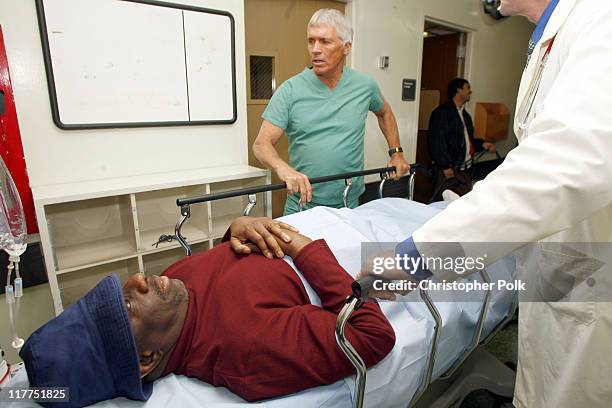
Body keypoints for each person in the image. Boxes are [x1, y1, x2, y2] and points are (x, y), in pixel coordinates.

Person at [361, 0, 612, 407]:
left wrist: (418, 257)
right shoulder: (553, 37)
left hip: (587, 266)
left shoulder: (601, 19)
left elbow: (563, 164)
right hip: (560, 262)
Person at [20, 217, 395, 407]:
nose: (138, 279)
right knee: (451, 248)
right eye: (128, 305)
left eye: (121, 288)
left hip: (334, 220)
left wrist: (238, 228)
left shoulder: (173, 284)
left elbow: (223, 268)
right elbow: (371, 336)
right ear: (146, 360)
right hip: (363, 254)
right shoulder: (247, 348)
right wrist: (297, 245)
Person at [252, 9, 410, 215]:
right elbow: (261, 144)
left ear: (346, 47)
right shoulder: (290, 90)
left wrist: (396, 152)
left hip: (350, 203)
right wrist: (284, 169)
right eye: (311, 41)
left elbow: (385, 113)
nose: (315, 49)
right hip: (303, 205)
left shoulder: (365, 86)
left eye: (325, 41)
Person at [427, 78, 497, 200]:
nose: (470, 91)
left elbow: (466, 141)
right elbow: (437, 141)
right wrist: (444, 166)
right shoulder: (442, 113)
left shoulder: (466, 116)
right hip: (448, 171)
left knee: (462, 204)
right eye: (468, 88)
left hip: (464, 170)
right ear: (458, 90)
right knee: (442, 205)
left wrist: (483, 144)